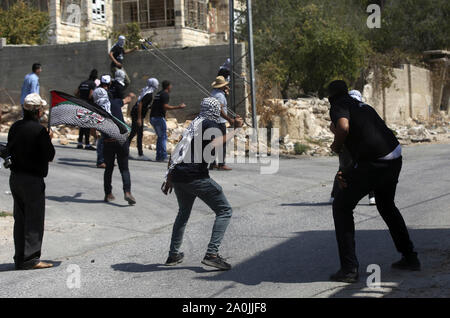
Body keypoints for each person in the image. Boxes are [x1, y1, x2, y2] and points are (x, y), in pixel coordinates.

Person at [327, 80, 420, 283]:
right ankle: (410, 257)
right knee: (387, 205)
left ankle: (349, 269)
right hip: (394, 157)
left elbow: (343, 128)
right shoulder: (362, 106)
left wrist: (335, 145)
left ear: (330, 97)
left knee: (341, 207)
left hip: (375, 162)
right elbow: (362, 137)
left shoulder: (338, 105)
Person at [162, 97, 244, 270]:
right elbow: (215, 144)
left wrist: (169, 176)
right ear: (214, 110)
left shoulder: (195, 123)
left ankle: (173, 254)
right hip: (194, 176)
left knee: (183, 213)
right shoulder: (210, 124)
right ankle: (212, 254)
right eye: (219, 109)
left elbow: (178, 149)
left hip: (178, 175)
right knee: (224, 210)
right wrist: (235, 130)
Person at [7, 93, 55, 270]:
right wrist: (47, 139)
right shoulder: (39, 130)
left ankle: (20, 257)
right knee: (34, 219)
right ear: (38, 111)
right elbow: (49, 155)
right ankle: (31, 258)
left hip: (15, 178)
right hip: (33, 180)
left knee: (20, 219)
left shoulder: (15, 127)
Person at [93, 80, 137, 205]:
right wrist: (131, 96)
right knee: (124, 168)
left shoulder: (96, 111)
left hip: (108, 142)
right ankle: (127, 192)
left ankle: (108, 194)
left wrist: (98, 136)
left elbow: (93, 129)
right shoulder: (115, 102)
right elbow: (126, 100)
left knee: (109, 169)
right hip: (122, 140)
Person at [330, 89, 376, 206]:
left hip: (348, 145)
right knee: (366, 169)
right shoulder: (364, 109)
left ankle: (334, 195)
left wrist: (337, 143)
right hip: (361, 144)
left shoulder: (343, 108)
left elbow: (334, 127)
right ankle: (372, 196)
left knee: (343, 169)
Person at [150, 80, 186, 162]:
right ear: (168, 86)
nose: (171, 87)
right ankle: (163, 156)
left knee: (160, 136)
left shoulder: (158, 94)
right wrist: (179, 107)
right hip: (158, 118)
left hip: (153, 118)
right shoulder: (165, 94)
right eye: (171, 86)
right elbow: (165, 106)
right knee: (163, 136)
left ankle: (159, 156)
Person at [128, 78, 159, 161]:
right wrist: (139, 118)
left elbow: (142, 104)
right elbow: (140, 104)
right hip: (138, 115)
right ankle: (139, 154)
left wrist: (149, 107)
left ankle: (129, 151)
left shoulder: (146, 91)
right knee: (136, 134)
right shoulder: (149, 94)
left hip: (137, 114)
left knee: (135, 133)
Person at [210, 76, 236, 171]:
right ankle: (221, 164)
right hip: (220, 122)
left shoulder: (213, 93)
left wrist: (225, 91)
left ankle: (212, 163)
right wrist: (229, 119)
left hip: (213, 121)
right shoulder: (220, 96)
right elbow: (220, 109)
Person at [75, 69, 98, 150]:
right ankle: (87, 144)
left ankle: (80, 143)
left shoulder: (83, 83)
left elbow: (76, 93)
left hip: (81, 105)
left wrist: (81, 99)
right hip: (88, 105)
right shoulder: (93, 84)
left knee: (82, 125)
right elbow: (90, 95)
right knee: (87, 125)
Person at [93, 75, 113, 168]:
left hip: (99, 117)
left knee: (104, 140)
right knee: (103, 140)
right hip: (105, 118)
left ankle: (105, 160)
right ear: (109, 83)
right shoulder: (108, 93)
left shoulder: (96, 91)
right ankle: (101, 161)